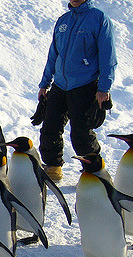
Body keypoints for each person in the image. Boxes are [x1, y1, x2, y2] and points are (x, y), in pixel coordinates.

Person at [37, 0, 117, 181]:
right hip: (59, 84)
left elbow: (108, 56)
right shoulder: (63, 20)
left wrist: (104, 88)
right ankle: (53, 166)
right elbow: (53, 54)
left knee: (81, 131)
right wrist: (45, 83)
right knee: (50, 127)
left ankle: (95, 171)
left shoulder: (99, 19)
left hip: (85, 84)